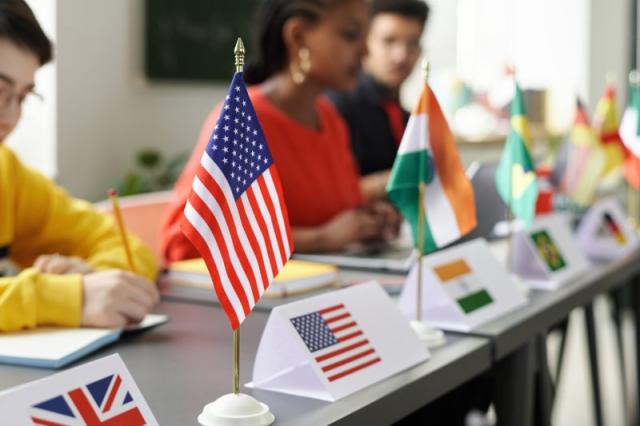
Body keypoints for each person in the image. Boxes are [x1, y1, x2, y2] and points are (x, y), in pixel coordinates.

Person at [161, 0, 400, 261]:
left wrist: (366, 221)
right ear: (297, 36)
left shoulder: (330, 118)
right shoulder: (245, 119)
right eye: (351, 34)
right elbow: (183, 243)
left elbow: (331, 211)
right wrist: (320, 238)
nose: (365, 51)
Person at [0, 0, 159, 331]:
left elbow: (128, 247)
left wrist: (95, 278)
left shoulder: (6, 173)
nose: (11, 118)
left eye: (23, 96)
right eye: (0, 91)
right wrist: (67, 298)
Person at [329, 0, 429, 201]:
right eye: (389, 41)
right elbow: (328, 196)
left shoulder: (409, 118)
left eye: (412, 43)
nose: (401, 56)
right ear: (364, 43)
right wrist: (400, 178)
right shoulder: (334, 108)